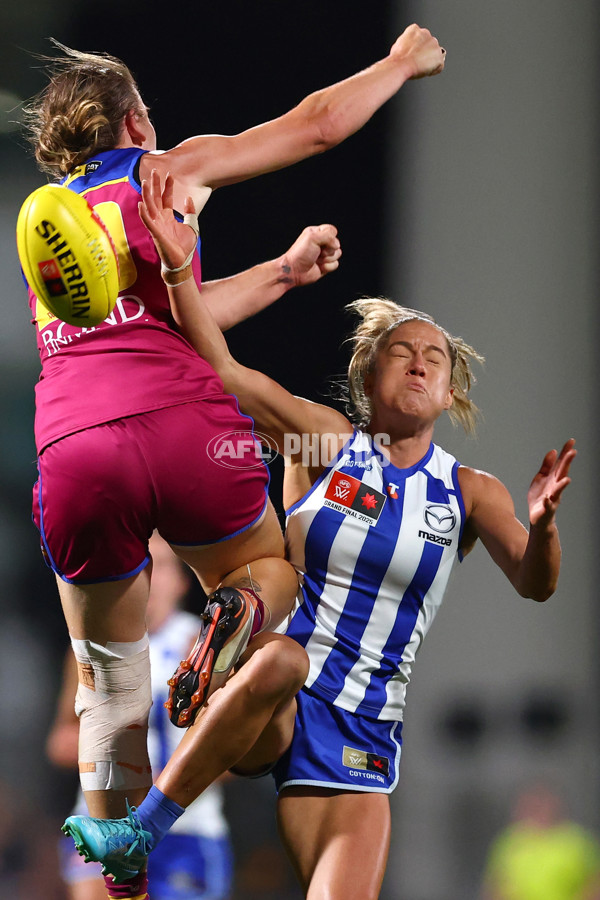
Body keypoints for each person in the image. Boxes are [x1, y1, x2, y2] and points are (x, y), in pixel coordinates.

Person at [62, 174, 576, 900]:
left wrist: (546, 525)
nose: (422, 360)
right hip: (281, 700)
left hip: (364, 730)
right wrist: (179, 268)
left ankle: (220, 660)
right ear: (368, 378)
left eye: (436, 356)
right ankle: (141, 830)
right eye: (403, 351)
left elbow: (537, 581)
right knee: (282, 660)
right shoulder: (324, 442)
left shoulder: (467, 491)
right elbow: (219, 368)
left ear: (451, 390)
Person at [20, 24, 445, 900]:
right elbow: (318, 124)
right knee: (270, 570)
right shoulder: (162, 172)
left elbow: (147, 316)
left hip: (74, 447)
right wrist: (402, 63)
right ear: (135, 120)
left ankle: (117, 859)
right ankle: (240, 609)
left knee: (109, 682)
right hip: (183, 426)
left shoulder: (53, 237)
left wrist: (281, 275)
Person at [48, 534, 234, 900]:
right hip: (103, 825)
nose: (147, 576)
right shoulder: (89, 647)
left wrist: (172, 780)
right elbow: (59, 742)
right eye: (136, 565)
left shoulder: (203, 648)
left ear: (182, 582)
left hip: (184, 831)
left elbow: (234, 752)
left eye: (160, 565)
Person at [480, 783, 600, 900]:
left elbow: (594, 883)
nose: (539, 808)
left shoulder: (577, 841)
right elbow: (495, 885)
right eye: (532, 804)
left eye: (543, 803)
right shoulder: (509, 841)